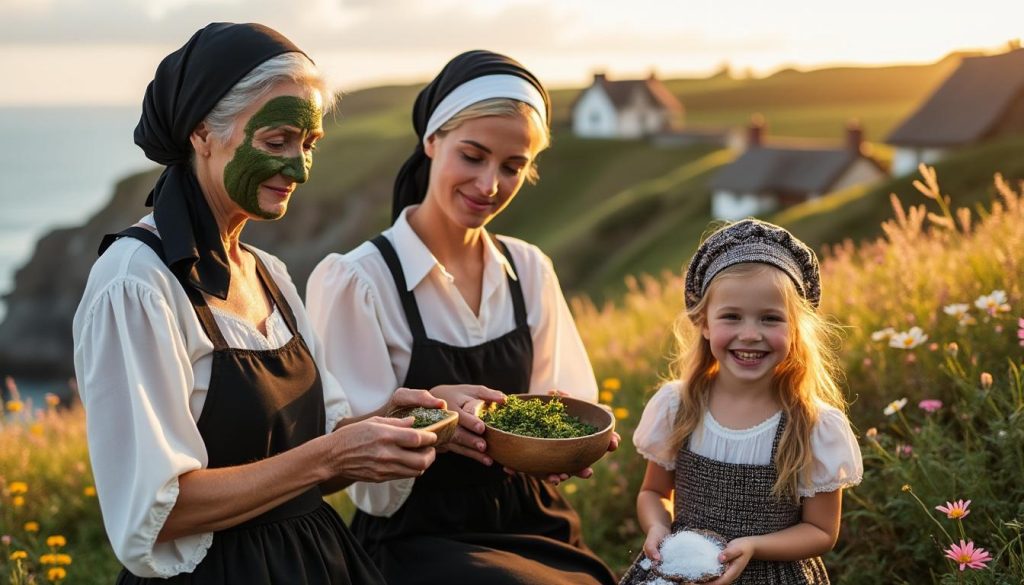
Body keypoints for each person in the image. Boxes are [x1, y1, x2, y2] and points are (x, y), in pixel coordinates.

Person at [72, 22, 442, 584]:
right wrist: (331, 456)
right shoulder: (135, 284)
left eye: (308, 145)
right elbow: (157, 511)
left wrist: (404, 420)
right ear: (202, 133)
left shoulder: (270, 274)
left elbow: (321, 455)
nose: (298, 168)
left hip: (316, 560)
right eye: (277, 142)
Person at [306, 50, 617, 584]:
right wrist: (430, 420)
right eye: (472, 156)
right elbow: (348, 465)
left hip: (535, 523)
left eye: (513, 166)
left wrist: (562, 447)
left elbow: (563, 403)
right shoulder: (359, 280)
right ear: (431, 141)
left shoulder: (528, 269)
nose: (490, 185)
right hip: (418, 541)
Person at [619, 219, 863, 585]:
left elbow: (821, 530)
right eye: (731, 317)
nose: (750, 335)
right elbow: (654, 492)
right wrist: (657, 527)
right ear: (703, 322)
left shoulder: (812, 425)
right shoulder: (679, 406)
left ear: (796, 328)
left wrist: (754, 547)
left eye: (770, 319)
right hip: (680, 570)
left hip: (773, 575)